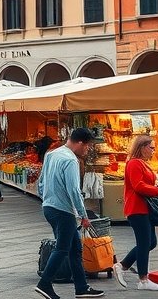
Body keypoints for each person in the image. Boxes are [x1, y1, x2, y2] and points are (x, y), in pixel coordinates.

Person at [34, 128, 104, 299]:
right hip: (63, 210)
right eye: (87, 147)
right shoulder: (70, 160)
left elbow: (41, 182)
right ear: (80, 143)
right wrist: (83, 215)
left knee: (75, 249)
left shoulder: (52, 154)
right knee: (63, 248)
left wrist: (46, 199)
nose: (87, 150)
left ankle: (81, 287)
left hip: (49, 207)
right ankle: (44, 283)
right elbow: (73, 190)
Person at [113, 135, 158, 291]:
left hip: (145, 208)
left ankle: (123, 265)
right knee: (144, 243)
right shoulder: (134, 163)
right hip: (137, 208)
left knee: (150, 243)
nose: (153, 151)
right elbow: (138, 186)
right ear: (142, 147)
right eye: (151, 148)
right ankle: (143, 279)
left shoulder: (141, 163)